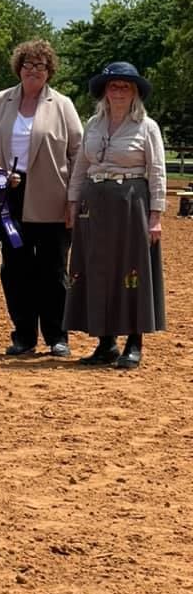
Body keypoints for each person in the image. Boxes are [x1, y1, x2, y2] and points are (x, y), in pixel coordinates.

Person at [0, 40, 83, 357]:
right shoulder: (0, 101)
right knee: (15, 268)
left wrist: (74, 197)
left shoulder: (62, 105)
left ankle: (57, 335)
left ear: (49, 71)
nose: (34, 71)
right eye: (28, 64)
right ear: (18, 68)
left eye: (41, 66)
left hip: (51, 196)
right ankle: (23, 334)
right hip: (7, 195)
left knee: (52, 269)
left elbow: (78, 152)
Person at [64, 62, 166, 369]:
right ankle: (105, 342)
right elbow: (81, 165)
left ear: (134, 92)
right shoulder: (93, 124)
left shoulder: (146, 127)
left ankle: (134, 343)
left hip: (130, 203)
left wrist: (156, 215)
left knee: (131, 269)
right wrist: (72, 201)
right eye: (113, 86)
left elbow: (157, 171)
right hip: (94, 204)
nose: (118, 91)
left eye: (125, 86)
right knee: (96, 268)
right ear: (104, 92)